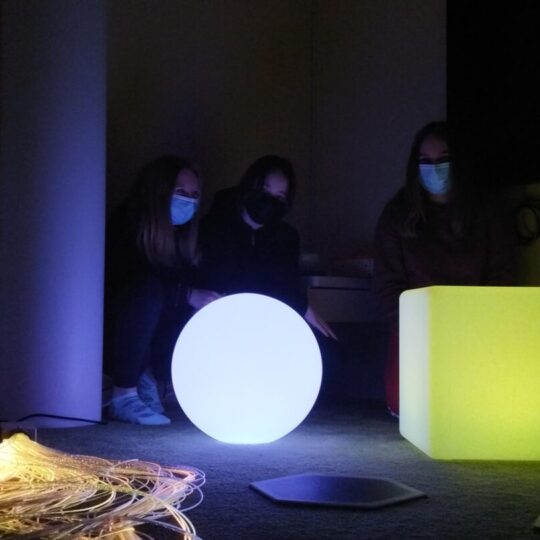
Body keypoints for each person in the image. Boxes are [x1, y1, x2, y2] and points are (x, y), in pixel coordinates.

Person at [373, 121, 515, 417]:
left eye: (443, 159)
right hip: (416, 332)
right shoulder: (397, 215)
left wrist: (472, 326)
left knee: (477, 406)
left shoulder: (485, 212)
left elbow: (501, 277)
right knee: (410, 406)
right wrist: (418, 329)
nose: (435, 168)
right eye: (426, 161)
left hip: (474, 330)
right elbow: (388, 286)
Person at [104, 156, 220, 425]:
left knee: (203, 301)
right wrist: (187, 294)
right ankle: (124, 394)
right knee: (153, 293)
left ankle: (152, 376)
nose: (188, 201)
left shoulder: (184, 238)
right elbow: (130, 286)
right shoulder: (128, 226)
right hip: (117, 332)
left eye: (194, 195)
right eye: (180, 192)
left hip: (156, 338)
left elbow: (188, 282)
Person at [199, 154, 336, 340]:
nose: (270, 201)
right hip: (220, 323)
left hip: (268, 325)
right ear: (251, 186)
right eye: (265, 190)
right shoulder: (213, 227)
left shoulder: (286, 237)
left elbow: (287, 286)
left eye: (279, 196)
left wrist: (304, 309)